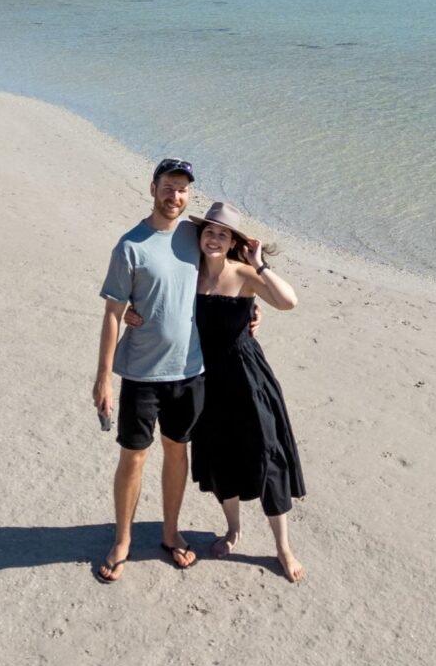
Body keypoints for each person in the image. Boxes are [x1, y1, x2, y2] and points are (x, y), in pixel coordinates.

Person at [126, 201, 306, 582]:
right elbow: (156, 297)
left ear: (233, 241)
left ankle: (283, 547)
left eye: (223, 234)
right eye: (209, 231)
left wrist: (260, 263)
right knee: (222, 457)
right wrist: (129, 311)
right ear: (200, 235)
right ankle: (233, 531)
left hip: (247, 378)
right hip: (204, 376)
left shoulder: (244, 274)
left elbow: (288, 302)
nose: (214, 238)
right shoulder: (187, 274)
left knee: (267, 457)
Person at [92, 158, 205, 583]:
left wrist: (253, 312)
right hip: (141, 373)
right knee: (134, 456)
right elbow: (113, 314)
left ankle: (170, 532)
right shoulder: (131, 246)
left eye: (182, 189)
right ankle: (122, 539)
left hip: (190, 370)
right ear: (152, 188)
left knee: (178, 452)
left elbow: (232, 274)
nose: (175, 196)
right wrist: (103, 378)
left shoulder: (198, 236)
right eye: (168, 187)